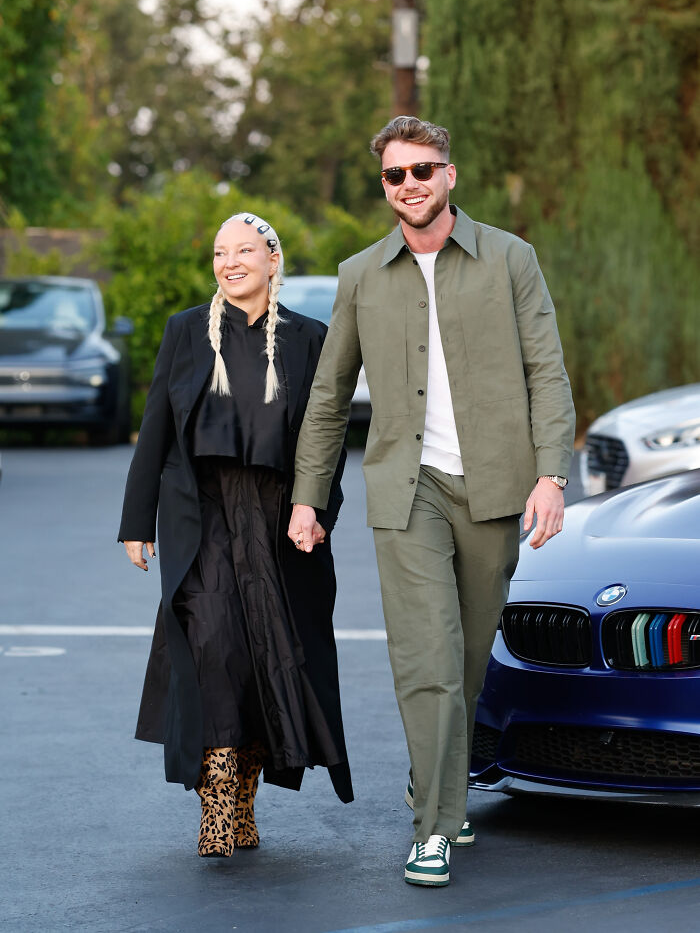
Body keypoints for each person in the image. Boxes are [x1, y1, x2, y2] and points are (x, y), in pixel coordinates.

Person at [288, 116, 575, 887]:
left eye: (422, 170)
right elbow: (327, 397)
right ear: (383, 186)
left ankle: (435, 778)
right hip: (403, 490)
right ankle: (435, 827)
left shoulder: (511, 259)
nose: (409, 184)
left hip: (492, 488)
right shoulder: (360, 275)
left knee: (468, 659)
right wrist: (309, 497)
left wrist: (551, 473)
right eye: (394, 175)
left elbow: (546, 368)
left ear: (449, 175)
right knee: (428, 661)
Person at [119, 211, 353, 859]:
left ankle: (245, 796)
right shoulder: (186, 332)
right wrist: (137, 522)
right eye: (221, 252)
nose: (231, 262)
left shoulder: (310, 339)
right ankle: (216, 802)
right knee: (213, 649)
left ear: (272, 259)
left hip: (280, 520)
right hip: (204, 513)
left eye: (244, 250)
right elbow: (156, 430)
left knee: (264, 662)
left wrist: (316, 508)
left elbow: (324, 438)